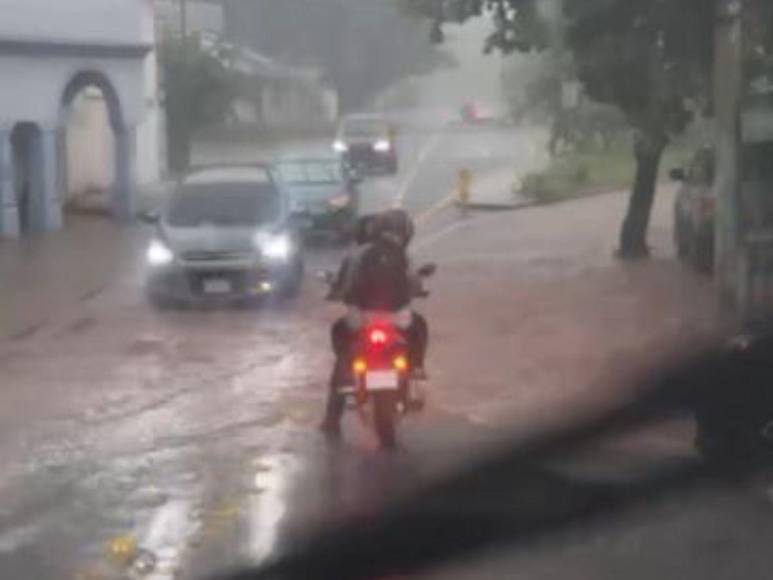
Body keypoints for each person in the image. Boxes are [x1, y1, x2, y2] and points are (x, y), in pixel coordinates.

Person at [320, 209, 430, 436]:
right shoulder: (403, 255)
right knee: (419, 325)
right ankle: (417, 367)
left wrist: (335, 293)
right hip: (398, 318)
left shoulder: (355, 255)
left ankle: (332, 418)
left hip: (361, 318)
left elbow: (342, 286)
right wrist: (419, 290)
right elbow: (414, 283)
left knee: (341, 340)